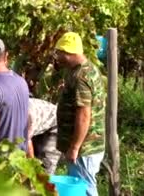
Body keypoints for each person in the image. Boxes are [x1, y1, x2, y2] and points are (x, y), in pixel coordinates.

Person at [53, 32, 106, 196]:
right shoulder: (86, 68)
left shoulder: (81, 77)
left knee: (86, 188)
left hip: (85, 147)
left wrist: (75, 147)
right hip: (89, 143)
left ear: (69, 54)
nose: (57, 57)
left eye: (60, 53)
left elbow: (84, 115)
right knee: (81, 189)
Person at [27, 98, 61, 175]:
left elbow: (27, 143)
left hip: (54, 123)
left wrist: (32, 169)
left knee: (46, 165)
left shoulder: (25, 116)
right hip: (37, 124)